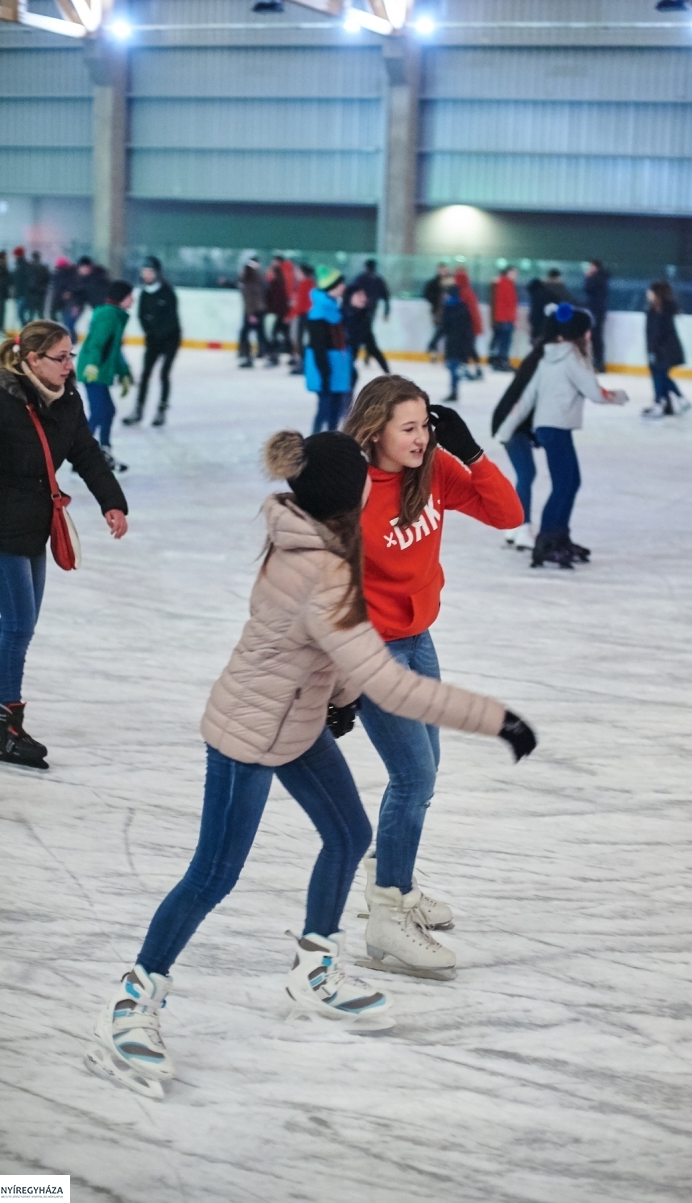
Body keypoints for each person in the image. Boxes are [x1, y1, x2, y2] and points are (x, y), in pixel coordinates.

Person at [86, 427, 536, 1098]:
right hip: (250, 733)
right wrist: (495, 718)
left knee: (350, 834)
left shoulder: (309, 532)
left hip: (295, 720)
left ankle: (315, 967)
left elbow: (327, 651)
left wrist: (338, 695)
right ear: (344, 494)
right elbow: (392, 683)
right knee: (213, 873)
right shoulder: (322, 567)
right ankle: (133, 997)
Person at [343, 377, 526, 976]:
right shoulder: (352, 489)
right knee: (413, 774)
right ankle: (388, 915)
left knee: (426, 772)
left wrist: (470, 454)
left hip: (418, 641)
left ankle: (391, 875)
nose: (423, 438)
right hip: (371, 652)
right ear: (375, 431)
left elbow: (509, 514)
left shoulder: (435, 472)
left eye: (427, 425)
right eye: (409, 428)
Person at [0, 320, 128, 767]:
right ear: (32, 360)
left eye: (71, 355)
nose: (69, 365)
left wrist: (112, 503)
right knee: (20, 623)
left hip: (36, 521)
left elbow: (86, 454)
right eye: (60, 357)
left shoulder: (68, 401)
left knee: (21, 617)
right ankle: (8, 729)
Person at [497, 303, 628, 569]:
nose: (590, 335)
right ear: (580, 333)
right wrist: (618, 396)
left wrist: (505, 428)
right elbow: (593, 392)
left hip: (548, 428)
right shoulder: (574, 357)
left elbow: (528, 396)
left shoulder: (548, 356)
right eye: (587, 331)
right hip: (556, 429)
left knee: (569, 482)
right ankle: (548, 541)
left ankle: (559, 537)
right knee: (565, 485)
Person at [491, 341, 545, 552]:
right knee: (526, 473)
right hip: (511, 424)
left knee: (526, 474)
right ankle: (522, 527)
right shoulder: (538, 365)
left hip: (512, 424)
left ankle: (514, 527)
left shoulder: (535, 362)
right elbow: (523, 404)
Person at [77, 280, 134, 472]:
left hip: (100, 370)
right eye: (129, 296)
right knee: (99, 412)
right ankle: (82, 456)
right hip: (93, 371)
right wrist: (92, 364)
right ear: (121, 298)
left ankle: (103, 451)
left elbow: (114, 350)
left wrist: (124, 374)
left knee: (107, 411)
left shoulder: (116, 315)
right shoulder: (109, 315)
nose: (132, 300)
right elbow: (97, 342)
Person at [123, 256, 181, 428]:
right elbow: (141, 316)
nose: (146, 275)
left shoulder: (167, 292)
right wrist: (150, 332)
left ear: (157, 273)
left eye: (149, 272)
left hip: (170, 339)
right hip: (153, 340)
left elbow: (172, 319)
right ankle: (138, 410)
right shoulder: (144, 294)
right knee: (146, 374)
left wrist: (160, 333)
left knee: (164, 374)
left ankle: (161, 410)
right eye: (144, 272)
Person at [305, 267, 352, 433]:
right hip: (325, 368)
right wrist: (325, 375)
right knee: (324, 408)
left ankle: (331, 441)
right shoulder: (318, 313)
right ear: (332, 287)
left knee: (335, 409)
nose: (343, 287)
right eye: (340, 284)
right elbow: (318, 348)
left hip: (337, 367)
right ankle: (315, 442)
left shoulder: (334, 308)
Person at [643, 281, 689, 419]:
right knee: (662, 376)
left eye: (650, 291)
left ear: (655, 294)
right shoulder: (662, 308)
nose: (647, 293)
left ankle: (660, 403)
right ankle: (677, 401)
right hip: (665, 349)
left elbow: (657, 332)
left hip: (662, 350)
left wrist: (652, 350)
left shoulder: (659, 310)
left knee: (659, 376)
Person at [435, 284, 474, 403]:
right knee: (453, 367)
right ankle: (455, 389)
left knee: (452, 367)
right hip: (461, 342)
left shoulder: (448, 308)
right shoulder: (463, 307)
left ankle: (454, 391)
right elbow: (468, 328)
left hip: (452, 343)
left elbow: (443, 328)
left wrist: (433, 341)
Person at [344, 287, 390, 377]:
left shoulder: (365, 313)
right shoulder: (344, 315)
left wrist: (388, 373)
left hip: (362, 339)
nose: (363, 298)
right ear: (350, 298)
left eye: (364, 295)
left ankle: (388, 374)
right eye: (359, 295)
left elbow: (373, 349)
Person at [453, 267, 483, 379]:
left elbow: (465, 312)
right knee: (470, 348)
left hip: (467, 327)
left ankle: (466, 369)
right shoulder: (469, 292)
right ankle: (477, 368)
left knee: (465, 348)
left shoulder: (462, 293)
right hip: (471, 326)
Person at [237, 258, 267, 367]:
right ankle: (264, 353)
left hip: (253, 312)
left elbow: (251, 300)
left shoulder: (249, 284)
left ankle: (247, 356)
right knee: (259, 333)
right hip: (257, 311)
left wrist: (251, 314)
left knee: (245, 334)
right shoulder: (256, 280)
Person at [527, 269, 571, 342]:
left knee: (536, 345)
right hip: (551, 324)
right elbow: (568, 302)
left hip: (536, 322)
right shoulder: (558, 288)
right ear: (558, 277)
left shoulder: (539, 289)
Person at [489, 265, 518, 371]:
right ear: (509, 273)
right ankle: (502, 361)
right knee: (505, 342)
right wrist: (513, 319)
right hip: (506, 318)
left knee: (499, 340)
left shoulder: (499, 283)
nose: (516, 276)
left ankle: (497, 361)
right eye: (514, 273)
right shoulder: (507, 284)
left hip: (500, 318)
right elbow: (510, 303)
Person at [288, 263, 315, 375]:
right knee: (302, 340)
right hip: (307, 315)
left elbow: (300, 305)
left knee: (299, 340)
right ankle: (303, 363)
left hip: (303, 316)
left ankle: (303, 364)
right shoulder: (311, 284)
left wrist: (290, 315)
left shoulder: (304, 284)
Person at [584, 260, 610, 373]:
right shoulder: (603, 278)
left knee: (596, 337)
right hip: (599, 310)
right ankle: (599, 363)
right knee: (597, 337)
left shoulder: (595, 278)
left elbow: (588, 289)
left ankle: (598, 364)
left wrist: (588, 278)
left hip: (596, 311)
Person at [264, 259, 290, 366]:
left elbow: (277, 301)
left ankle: (274, 356)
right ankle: (276, 355)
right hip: (280, 314)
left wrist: (269, 309)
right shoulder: (278, 283)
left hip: (279, 314)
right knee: (281, 335)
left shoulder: (276, 285)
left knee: (275, 335)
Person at [424, 262, 450, 357]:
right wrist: (435, 301)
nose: (443, 272)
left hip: (449, 312)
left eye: (444, 270)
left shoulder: (450, 282)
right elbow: (427, 294)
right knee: (437, 330)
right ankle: (434, 353)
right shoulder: (433, 282)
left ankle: (447, 354)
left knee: (446, 333)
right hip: (437, 311)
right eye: (441, 270)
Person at [49, 257, 79, 339]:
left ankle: (71, 340)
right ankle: (72, 340)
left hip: (67, 303)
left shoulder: (58, 276)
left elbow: (56, 291)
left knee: (68, 323)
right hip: (68, 304)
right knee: (68, 324)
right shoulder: (73, 274)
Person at [26, 252, 50, 322]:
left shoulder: (30, 268)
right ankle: (42, 329)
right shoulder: (44, 268)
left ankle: (29, 329)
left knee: (31, 313)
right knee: (40, 313)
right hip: (41, 293)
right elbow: (47, 280)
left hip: (32, 293)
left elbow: (27, 280)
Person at [11, 248, 31, 326]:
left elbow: (18, 280)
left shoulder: (20, 266)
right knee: (22, 313)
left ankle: (25, 327)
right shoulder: (24, 265)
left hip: (21, 293)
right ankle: (25, 326)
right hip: (22, 293)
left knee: (20, 313)